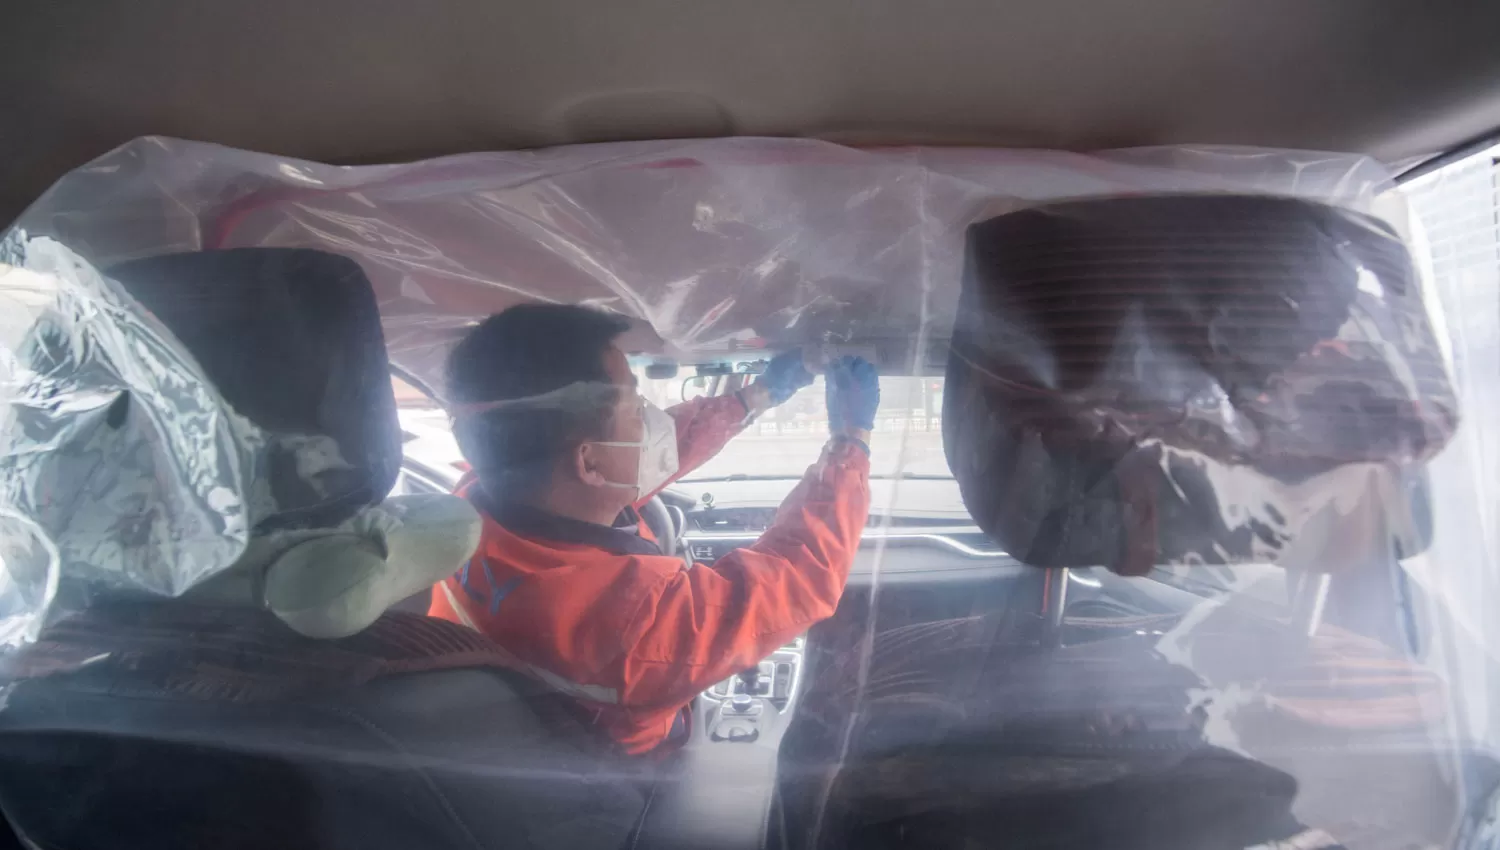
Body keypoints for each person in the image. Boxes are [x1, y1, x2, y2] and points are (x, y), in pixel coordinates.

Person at [428, 304, 878, 754]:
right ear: (589, 460)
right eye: (635, 407)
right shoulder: (632, 626)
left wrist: (756, 395)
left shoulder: (468, 508)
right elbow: (799, 574)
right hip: (636, 786)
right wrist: (851, 441)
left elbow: (622, 455)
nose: (651, 422)